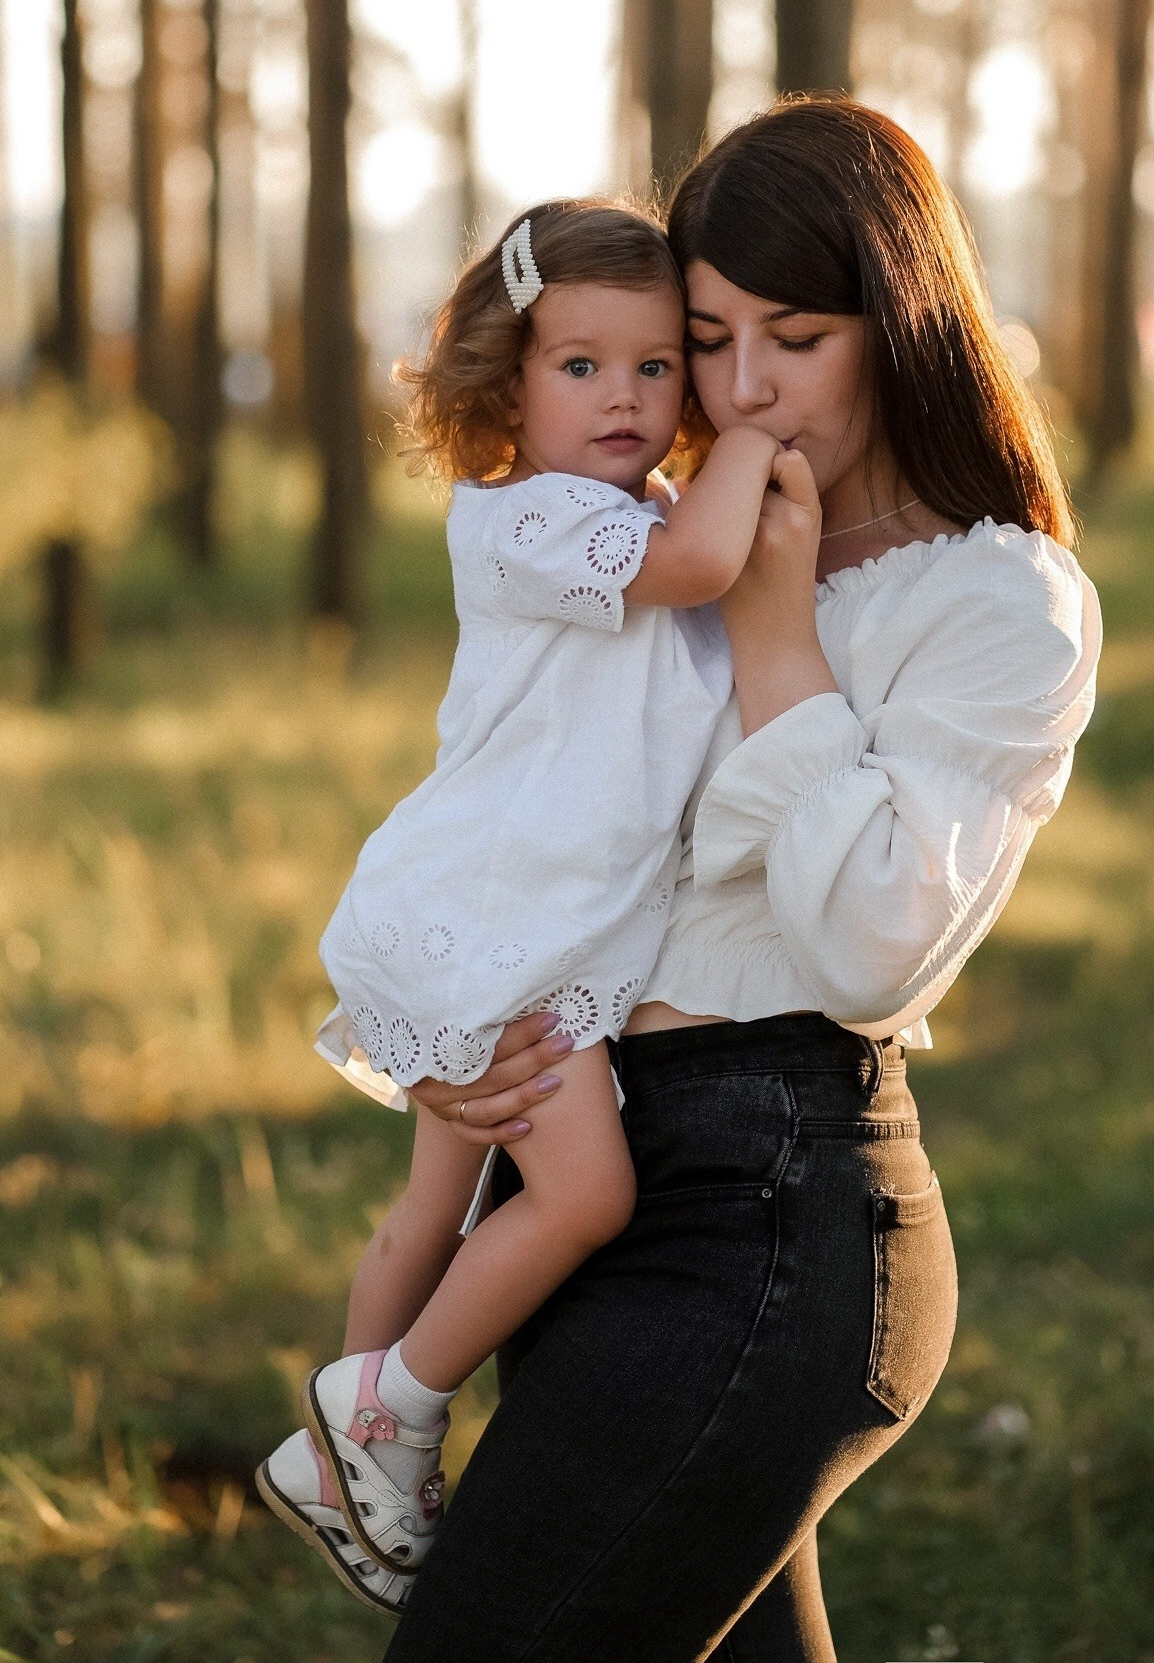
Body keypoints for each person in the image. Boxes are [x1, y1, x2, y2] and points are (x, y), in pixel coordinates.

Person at [376, 97, 1103, 1662]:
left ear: (897, 327)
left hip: (768, 1212)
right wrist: (472, 1035)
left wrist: (777, 640)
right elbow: (535, 814)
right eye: (708, 336)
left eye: (800, 335)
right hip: (586, 1185)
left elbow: (864, 952)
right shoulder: (651, 547)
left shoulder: (996, 602)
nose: (745, 386)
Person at [254, 199, 785, 1612]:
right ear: (506, 381)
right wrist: (749, 436)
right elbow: (699, 572)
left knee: (435, 1205)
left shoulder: (646, 512)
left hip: (518, 929)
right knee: (586, 1195)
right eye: (581, 367)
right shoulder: (522, 523)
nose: (626, 398)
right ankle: (400, 1407)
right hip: (487, 925)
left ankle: (348, 1462)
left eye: (659, 367)